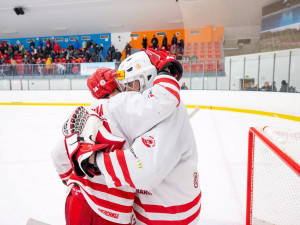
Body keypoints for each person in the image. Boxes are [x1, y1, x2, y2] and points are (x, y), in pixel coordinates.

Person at [52, 49, 187, 224]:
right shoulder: (127, 106)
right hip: (112, 209)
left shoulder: (84, 113)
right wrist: (166, 71)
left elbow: (58, 155)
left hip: (76, 200)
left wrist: (71, 181)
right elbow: (161, 103)